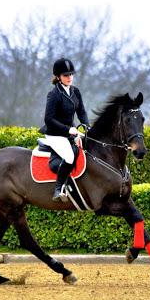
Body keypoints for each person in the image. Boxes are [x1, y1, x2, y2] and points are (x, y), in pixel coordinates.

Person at [40, 58, 90, 202]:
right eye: (65, 75)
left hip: (70, 131)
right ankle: (58, 188)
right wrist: (69, 130)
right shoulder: (54, 94)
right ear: (58, 77)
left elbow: (81, 112)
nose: (69, 78)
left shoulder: (75, 91)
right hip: (55, 134)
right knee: (69, 157)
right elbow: (48, 119)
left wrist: (87, 126)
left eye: (71, 75)